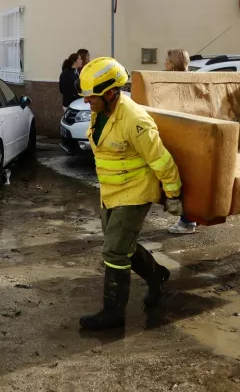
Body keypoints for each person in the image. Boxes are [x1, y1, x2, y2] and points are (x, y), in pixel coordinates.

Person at [77, 57, 183, 331]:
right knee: (124, 247)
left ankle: (113, 313)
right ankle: (157, 275)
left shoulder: (135, 120)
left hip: (135, 192)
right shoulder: (100, 112)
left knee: (114, 251)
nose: (87, 101)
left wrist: (173, 195)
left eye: (92, 96)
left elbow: (160, 159)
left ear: (111, 92)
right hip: (110, 191)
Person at [164, 48, 199, 235]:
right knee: (194, 181)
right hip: (195, 135)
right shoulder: (194, 79)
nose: (164, 64)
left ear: (174, 64)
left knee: (184, 180)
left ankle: (187, 221)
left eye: (167, 61)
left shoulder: (174, 83)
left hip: (182, 136)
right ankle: (193, 217)